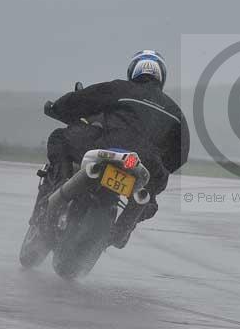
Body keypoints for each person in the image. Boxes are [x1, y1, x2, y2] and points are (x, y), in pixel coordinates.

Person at [34, 49, 189, 249]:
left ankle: (62, 182)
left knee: (59, 137)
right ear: (162, 77)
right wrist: (159, 164)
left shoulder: (121, 89)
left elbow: (82, 99)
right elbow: (180, 155)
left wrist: (57, 108)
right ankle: (124, 228)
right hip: (145, 164)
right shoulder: (175, 112)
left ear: (133, 71)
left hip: (109, 146)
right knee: (149, 197)